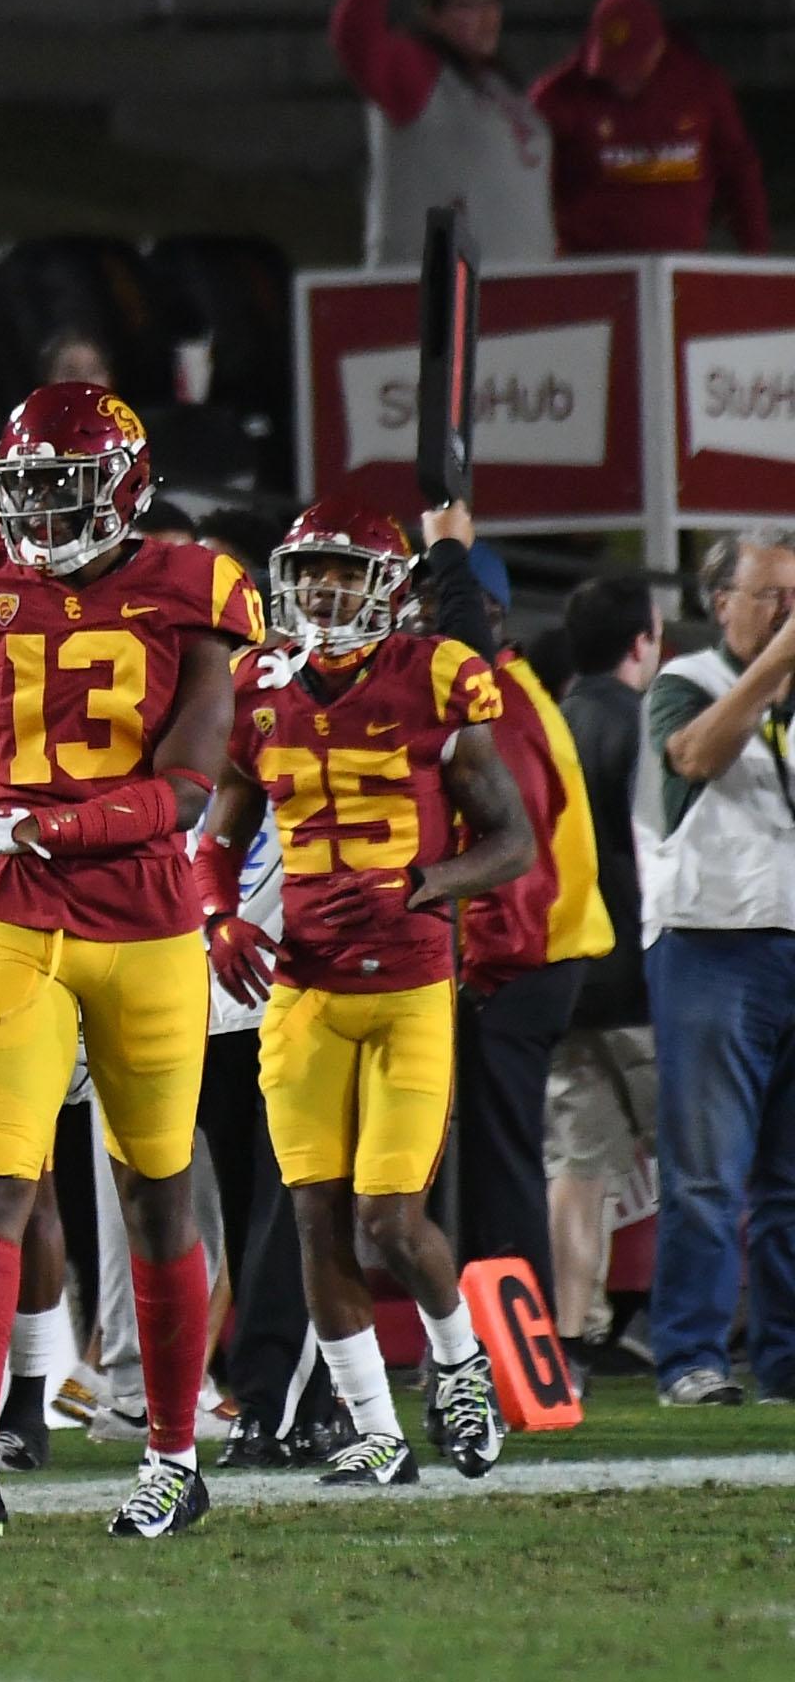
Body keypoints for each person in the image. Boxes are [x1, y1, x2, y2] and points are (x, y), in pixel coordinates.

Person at [0, 382, 266, 1540]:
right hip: (10, 920)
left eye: (65, 489)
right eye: (27, 491)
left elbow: (184, 791)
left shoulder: (196, 586)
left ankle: (170, 1455)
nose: (41, 515)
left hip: (143, 924)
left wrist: (33, 824)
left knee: (154, 1192)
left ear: (124, 488)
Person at [198, 501, 527, 1485]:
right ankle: (377, 1432)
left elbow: (510, 840)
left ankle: (459, 1365)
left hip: (408, 987)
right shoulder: (257, 685)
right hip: (304, 991)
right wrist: (219, 917)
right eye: (311, 573)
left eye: (345, 574)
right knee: (315, 1220)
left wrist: (425, 882)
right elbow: (219, 834)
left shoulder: (436, 676)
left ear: (386, 588)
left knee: (390, 1219)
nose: (324, 591)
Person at [415, 501, 610, 1313]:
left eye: (433, 606)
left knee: (499, 1164)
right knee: (496, 1160)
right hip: (532, 953)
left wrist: (483, 969)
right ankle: (508, 1332)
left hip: (519, 959)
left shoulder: (501, 702)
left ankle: (518, 1336)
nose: (417, 623)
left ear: (483, 613)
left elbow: (515, 859)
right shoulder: (510, 687)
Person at [635, 530, 795, 1407]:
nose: (788, 612)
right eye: (772, 595)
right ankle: (690, 1357)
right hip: (711, 943)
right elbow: (697, 757)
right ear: (722, 601)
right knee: (705, 1174)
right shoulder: (685, 681)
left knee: (791, 1182)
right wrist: (775, 665)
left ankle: (786, 1359)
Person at [547, 575, 661, 1374]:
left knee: (577, 1166)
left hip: (564, 977)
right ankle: (680, 1326)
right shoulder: (648, 725)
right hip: (647, 981)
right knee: (709, 1164)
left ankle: (567, 1337)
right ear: (641, 643)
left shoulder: (547, 724)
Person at [330, 0, 552, 267]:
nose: (486, 16)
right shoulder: (418, 75)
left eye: (491, 3)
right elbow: (354, 35)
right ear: (433, 16)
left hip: (513, 286)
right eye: (468, 5)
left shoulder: (497, 83)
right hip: (433, 288)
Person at [534, 0, 769, 257]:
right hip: (592, 267)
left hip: (680, 264)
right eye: (611, 68)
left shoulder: (701, 87)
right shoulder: (557, 96)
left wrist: (756, 253)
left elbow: (739, 170)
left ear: (659, 47)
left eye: (634, 68)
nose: (622, 79)